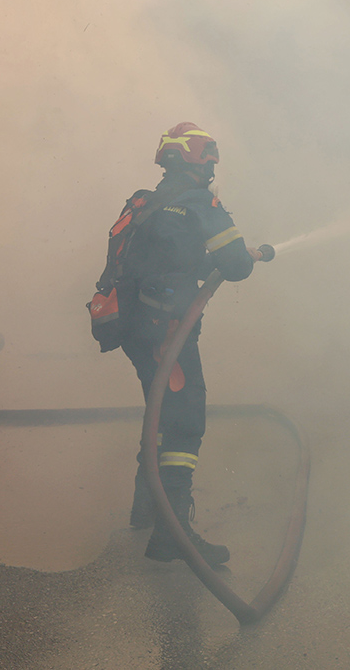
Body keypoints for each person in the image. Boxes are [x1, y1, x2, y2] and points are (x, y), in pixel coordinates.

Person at [117, 122, 264, 565]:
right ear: (199, 162)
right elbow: (236, 265)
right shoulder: (202, 203)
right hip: (168, 332)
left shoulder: (144, 200)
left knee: (159, 408)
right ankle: (172, 533)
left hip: (133, 327)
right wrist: (246, 257)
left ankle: (146, 506)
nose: (213, 169)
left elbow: (162, 255)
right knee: (183, 420)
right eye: (210, 161)